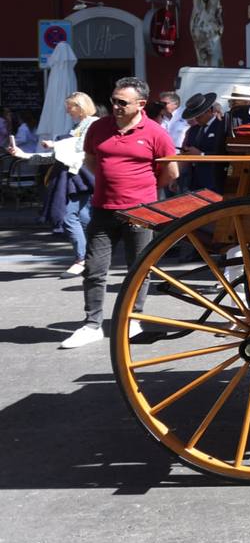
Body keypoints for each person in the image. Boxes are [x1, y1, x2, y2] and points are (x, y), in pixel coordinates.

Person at [60, 77, 178, 349]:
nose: (115, 106)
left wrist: (143, 189)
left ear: (141, 104)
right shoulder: (99, 127)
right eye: (114, 100)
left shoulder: (156, 132)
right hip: (102, 208)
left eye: (122, 102)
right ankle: (91, 325)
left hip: (140, 212)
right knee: (94, 269)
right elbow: (91, 160)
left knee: (138, 270)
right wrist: (111, 181)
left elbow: (171, 172)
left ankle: (131, 320)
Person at [6, 93, 98, 277]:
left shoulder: (92, 124)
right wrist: (24, 155)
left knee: (68, 216)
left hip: (79, 176)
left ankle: (83, 259)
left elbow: (77, 148)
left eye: (70, 106)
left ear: (80, 106)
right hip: (76, 175)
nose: (67, 110)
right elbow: (58, 155)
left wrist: (56, 144)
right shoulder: (77, 126)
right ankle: (93, 256)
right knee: (83, 217)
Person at [180, 92, 227, 193]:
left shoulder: (222, 127)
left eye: (199, 116)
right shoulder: (194, 130)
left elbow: (225, 154)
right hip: (194, 182)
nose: (196, 119)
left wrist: (201, 155)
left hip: (214, 182)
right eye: (195, 116)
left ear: (209, 111)